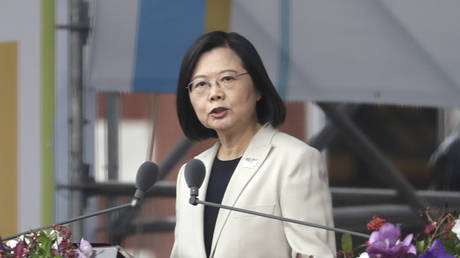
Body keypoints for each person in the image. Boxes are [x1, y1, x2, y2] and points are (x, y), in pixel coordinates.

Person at [171, 31, 336, 258]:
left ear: (258, 88)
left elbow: (315, 254)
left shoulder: (294, 161)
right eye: (201, 84)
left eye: (227, 79)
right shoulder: (189, 175)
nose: (214, 94)